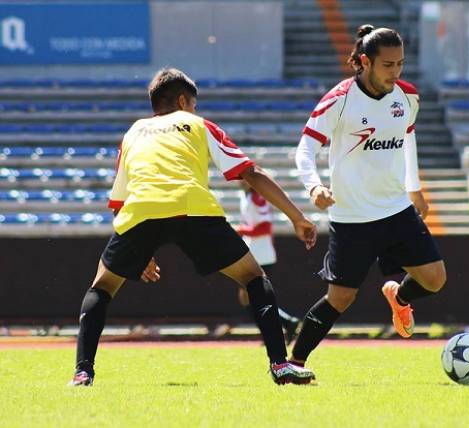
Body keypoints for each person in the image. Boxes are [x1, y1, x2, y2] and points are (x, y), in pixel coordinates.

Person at [68, 68, 317, 386]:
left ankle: (82, 372)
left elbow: (118, 202)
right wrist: (297, 217)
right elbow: (251, 173)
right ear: (184, 101)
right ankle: (280, 365)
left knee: (101, 288)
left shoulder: (132, 134)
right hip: (193, 207)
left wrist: (141, 251)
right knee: (254, 278)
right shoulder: (198, 125)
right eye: (194, 105)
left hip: (141, 211)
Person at [291, 25, 447, 368]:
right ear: (365, 62)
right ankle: (295, 363)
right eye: (388, 65)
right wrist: (314, 186)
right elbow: (305, 148)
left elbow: (407, 138)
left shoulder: (408, 97)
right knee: (341, 298)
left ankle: (399, 296)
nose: (395, 72)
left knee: (435, 279)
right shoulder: (339, 99)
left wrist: (414, 186)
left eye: (400, 64)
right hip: (352, 219)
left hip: (396, 210)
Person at [235, 182, 300, 343]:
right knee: (248, 295)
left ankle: (279, 327)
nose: (238, 181)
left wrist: (241, 230)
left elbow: (265, 227)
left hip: (261, 254)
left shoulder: (258, 197)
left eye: (241, 177)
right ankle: (280, 325)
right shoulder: (249, 197)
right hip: (255, 252)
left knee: (253, 296)